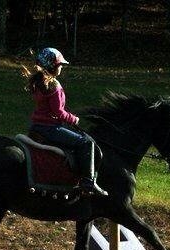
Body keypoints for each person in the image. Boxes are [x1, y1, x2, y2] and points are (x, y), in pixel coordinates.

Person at [22, 47, 108, 196]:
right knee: (86, 143)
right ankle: (89, 182)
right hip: (50, 128)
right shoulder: (54, 85)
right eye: (60, 65)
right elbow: (58, 112)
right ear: (52, 66)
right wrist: (74, 119)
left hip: (38, 126)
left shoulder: (38, 82)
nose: (62, 67)